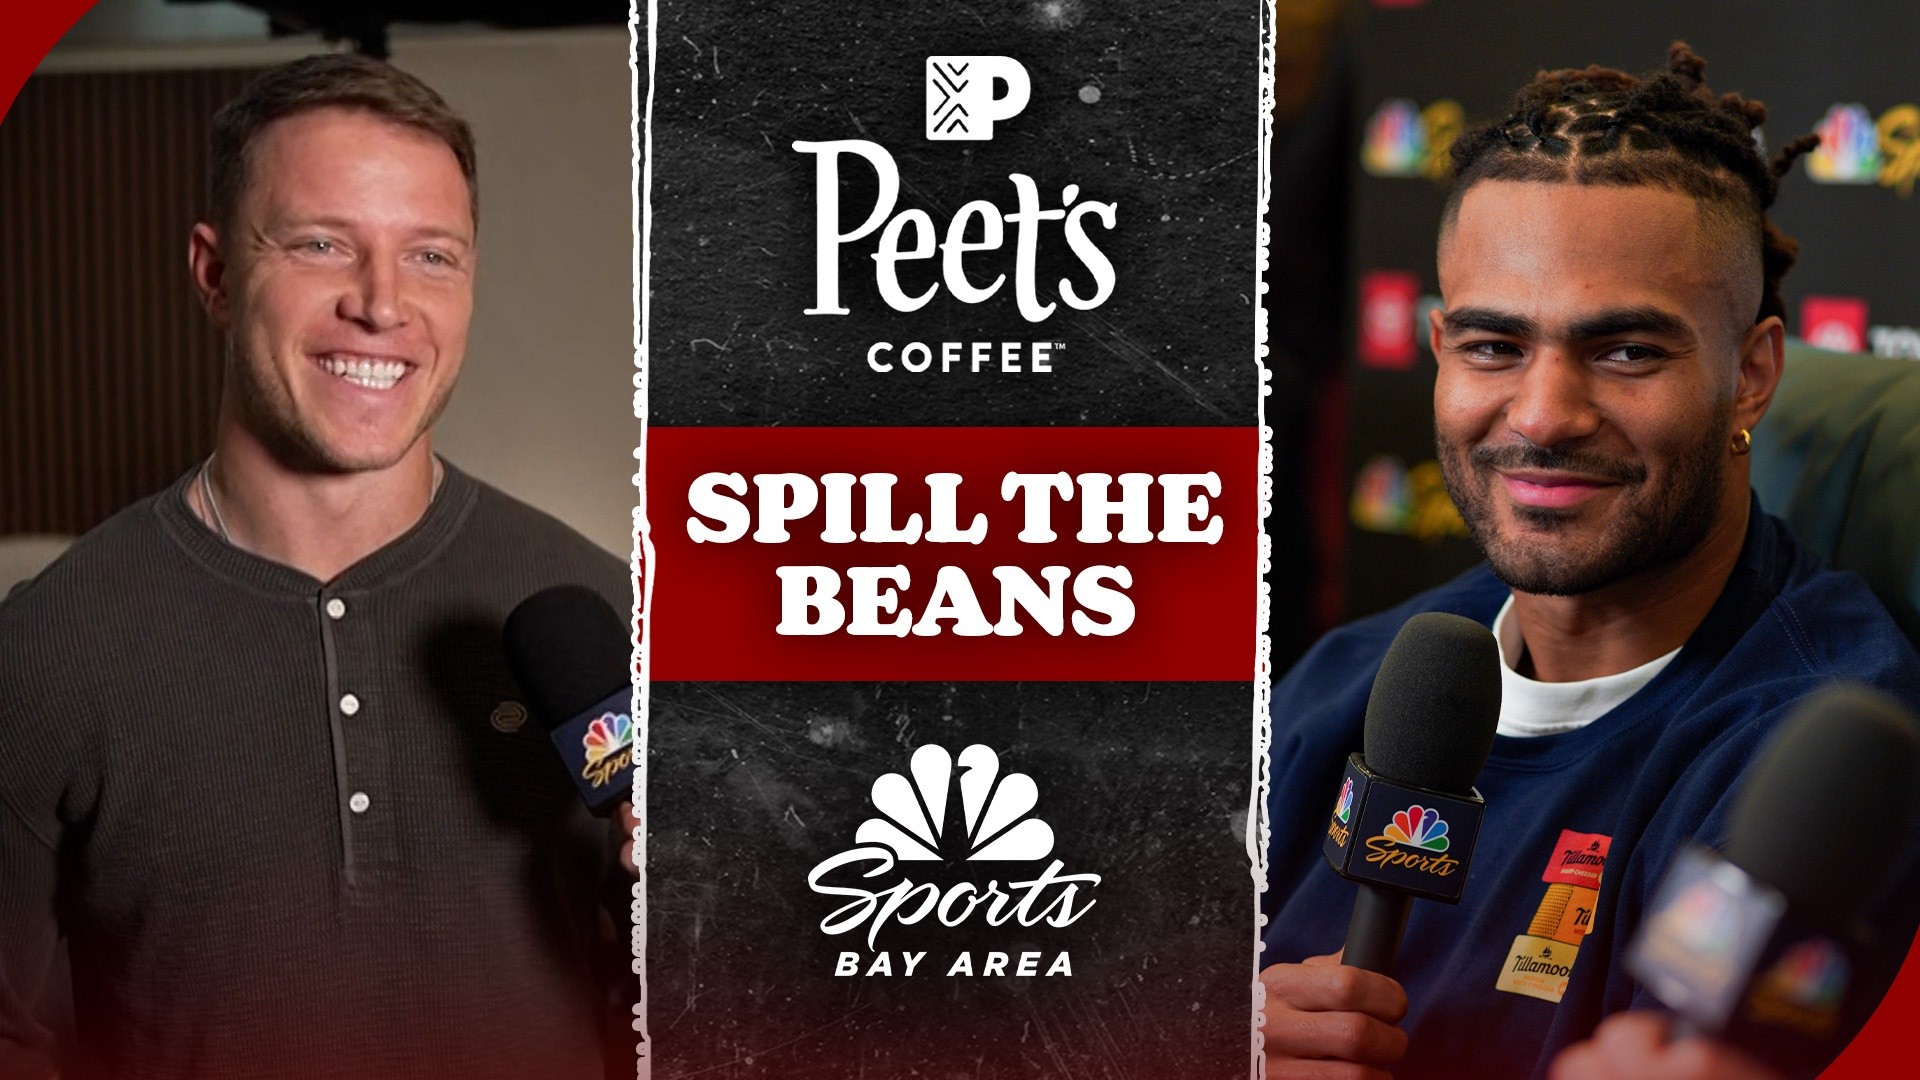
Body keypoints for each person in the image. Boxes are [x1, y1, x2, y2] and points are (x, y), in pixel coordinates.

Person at [1258, 44, 1920, 1080]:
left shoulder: (1816, 768)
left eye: (1625, 352)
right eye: (1493, 347)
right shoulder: (1357, 679)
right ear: (1440, 351)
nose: (1542, 416)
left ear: (1751, 377)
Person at [0, 55, 636, 1080]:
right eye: (322, 244)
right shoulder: (48, 645)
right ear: (214, 275)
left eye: (432, 256)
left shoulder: (609, 620)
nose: (382, 306)